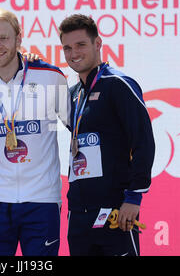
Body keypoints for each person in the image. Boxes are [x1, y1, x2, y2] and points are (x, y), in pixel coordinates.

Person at [0, 7, 70, 256]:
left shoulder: (50, 77)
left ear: (19, 38)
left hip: (42, 200)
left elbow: (79, 126)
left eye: (4, 38)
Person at [58, 14, 155, 256]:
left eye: (81, 45)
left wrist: (133, 198)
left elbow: (143, 142)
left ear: (97, 43)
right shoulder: (72, 95)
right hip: (79, 213)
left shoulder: (118, 84)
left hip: (115, 210)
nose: (73, 53)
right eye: (67, 48)